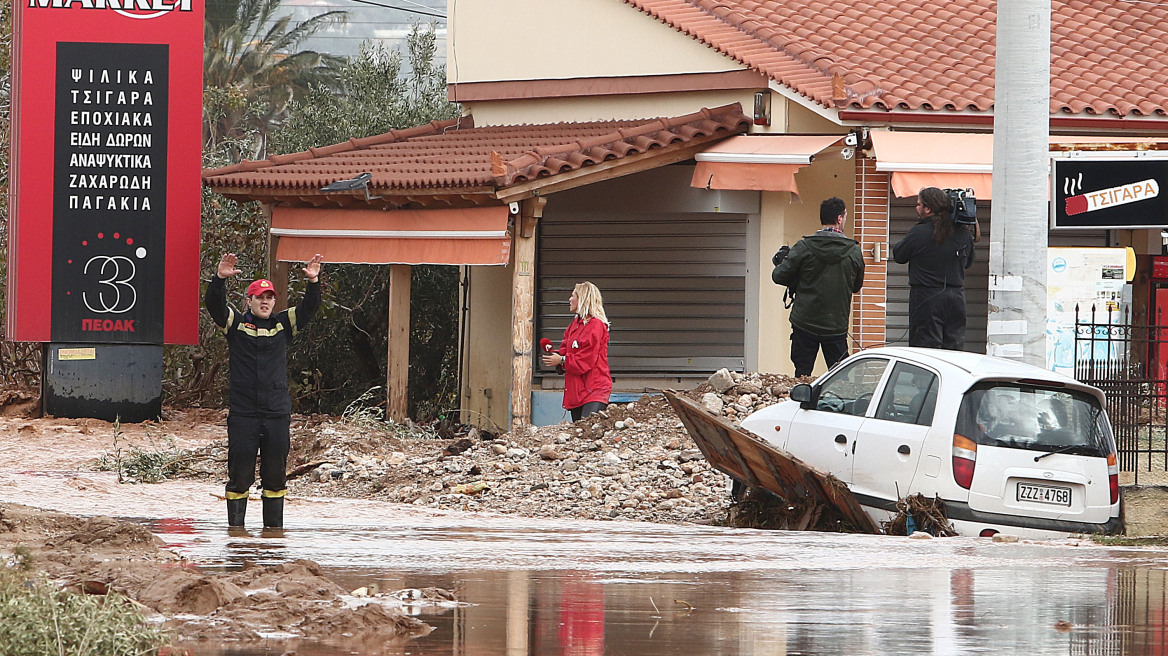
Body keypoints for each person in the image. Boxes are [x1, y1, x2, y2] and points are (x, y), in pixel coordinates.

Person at [205, 252, 323, 529]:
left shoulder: (283, 324)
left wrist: (314, 281)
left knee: (275, 477)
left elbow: (309, 308)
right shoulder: (236, 324)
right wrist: (220, 278)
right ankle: (237, 537)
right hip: (244, 413)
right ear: (249, 301)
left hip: (276, 413)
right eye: (260, 298)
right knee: (240, 476)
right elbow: (214, 305)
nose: (265, 302)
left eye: (269, 297)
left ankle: (274, 539)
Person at [772, 197, 865, 377]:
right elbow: (856, 286)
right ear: (839, 218)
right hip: (836, 325)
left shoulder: (804, 247)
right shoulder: (854, 251)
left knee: (802, 375)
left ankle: (800, 403)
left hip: (804, 323)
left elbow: (778, 276)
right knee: (839, 377)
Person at [892, 187, 976, 350]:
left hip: (926, 297)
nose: (916, 208)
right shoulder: (962, 232)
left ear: (928, 208)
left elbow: (899, 255)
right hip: (956, 298)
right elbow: (968, 262)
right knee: (954, 349)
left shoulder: (920, 232)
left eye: (918, 204)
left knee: (925, 350)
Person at [542, 281, 612, 421]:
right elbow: (565, 348)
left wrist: (562, 360)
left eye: (573, 295)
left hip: (594, 389)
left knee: (587, 432)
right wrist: (556, 355)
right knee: (579, 432)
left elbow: (586, 360)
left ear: (583, 298)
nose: (569, 299)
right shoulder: (574, 325)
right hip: (576, 391)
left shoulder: (596, 325)